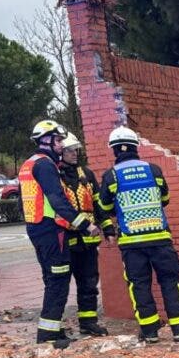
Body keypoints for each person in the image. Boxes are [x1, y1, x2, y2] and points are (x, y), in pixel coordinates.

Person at [96, 126, 179, 343]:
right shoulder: (154, 170)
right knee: (170, 281)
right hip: (160, 239)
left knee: (139, 285)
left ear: (114, 150)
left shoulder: (111, 176)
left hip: (131, 244)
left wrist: (119, 209)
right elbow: (165, 198)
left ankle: (150, 332)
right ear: (136, 146)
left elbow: (104, 205)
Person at [18, 120, 100, 348]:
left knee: (52, 279)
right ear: (46, 140)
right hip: (52, 231)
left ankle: (53, 329)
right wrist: (85, 225)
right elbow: (57, 200)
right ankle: (48, 336)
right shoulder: (45, 165)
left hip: (37, 229)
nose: (61, 144)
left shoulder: (29, 164)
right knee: (58, 281)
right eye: (58, 140)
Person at [59, 132, 112, 337]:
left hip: (88, 241)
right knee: (60, 285)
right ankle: (56, 326)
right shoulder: (55, 175)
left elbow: (98, 205)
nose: (74, 154)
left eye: (76, 150)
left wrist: (107, 228)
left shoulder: (87, 175)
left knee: (89, 283)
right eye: (70, 150)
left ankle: (88, 323)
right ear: (61, 152)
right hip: (65, 240)